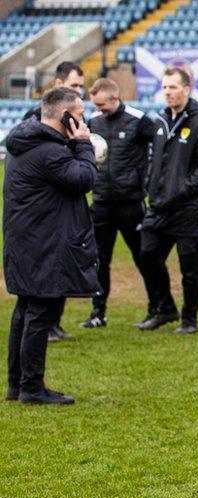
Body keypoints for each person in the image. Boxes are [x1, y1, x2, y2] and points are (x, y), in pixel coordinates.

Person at [3, 87, 98, 405]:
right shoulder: (49, 152)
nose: (85, 120)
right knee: (40, 311)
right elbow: (84, 179)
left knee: (25, 310)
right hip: (43, 242)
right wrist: (83, 145)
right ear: (65, 116)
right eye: (81, 114)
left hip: (27, 239)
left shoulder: (26, 143)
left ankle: (17, 384)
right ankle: (32, 387)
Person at [137, 67, 198, 334]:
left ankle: (189, 318)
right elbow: (154, 163)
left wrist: (181, 191)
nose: (168, 92)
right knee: (148, 255)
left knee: (190, 268)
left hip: (188, 210)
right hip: (159, 207)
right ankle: (165, 308)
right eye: (164, 87)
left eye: (173, 87)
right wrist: (151, 188)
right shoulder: (160, 122)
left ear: (187, 88)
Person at [81, 78, 159, 328]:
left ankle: (156, 308)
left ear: (115, 98)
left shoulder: (139, 120)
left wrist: (146, 181)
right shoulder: (93, 121)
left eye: (102, 104)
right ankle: (97, 313)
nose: (99, 109)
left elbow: (161, 147)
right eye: (95, 105)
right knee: (99, 260)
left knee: (143, 257)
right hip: (101, 201)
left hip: (131, 203)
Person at [21, 60, 87, 342]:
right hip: (42, 219)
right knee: (39, 288)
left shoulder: (71, 121)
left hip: (59, 215)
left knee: (62, 267)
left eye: (81, 87)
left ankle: (55, 322)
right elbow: (72, 173)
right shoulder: (38, 122)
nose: (79, 91)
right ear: (58, 85)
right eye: (74, 86)